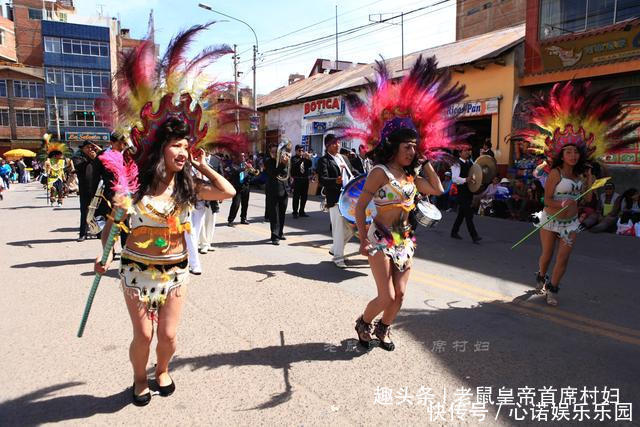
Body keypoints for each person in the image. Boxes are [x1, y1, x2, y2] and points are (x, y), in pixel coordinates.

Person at [91, 24, 244, 406]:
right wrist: (104, 253)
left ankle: (163, 369)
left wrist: (203, 165)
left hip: (174, 271)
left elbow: (229, 192)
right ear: (160, 149)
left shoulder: (188, 187)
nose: (182, 151)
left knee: (169, 337)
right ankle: (139, 377)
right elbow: (112, 223)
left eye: (185, 145)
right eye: (176, 145)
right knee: (143, 335)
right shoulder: (134, 189)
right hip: (136, 270)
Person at [347, 55, 464, 350]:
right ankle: (364, 322)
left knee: (400, 296)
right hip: (379, 239)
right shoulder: (380, 173)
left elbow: (437, 189)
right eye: (407, 147)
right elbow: (361, 207)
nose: (412, 151)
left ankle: (383, 329)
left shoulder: (412, 177)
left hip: (405, 240)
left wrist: (424, 162)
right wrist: (362, 239)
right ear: (393, 147)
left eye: (415, 147)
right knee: (385, 296)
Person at [519, 80, 639, 306]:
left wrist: (590, 186)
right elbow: (547, 199)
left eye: (576, 152)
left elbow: (585, 200)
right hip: (551, 220)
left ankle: (552, 289)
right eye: (569, 152)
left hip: (571, 223)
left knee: (563, 258)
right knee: (547, 256)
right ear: (562, 155)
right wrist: (560, 205)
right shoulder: (555, 173)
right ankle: (540, 276)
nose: (573, 155)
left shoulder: (581, 175)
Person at [317, 133, 356, 268]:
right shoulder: (324, 160)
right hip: (335, 199)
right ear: (327, 146)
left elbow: (353, 172)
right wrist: (335, 181)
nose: (337, 145)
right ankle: (338, 257)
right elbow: (322, 179)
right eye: (334, 143)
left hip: (349, 198)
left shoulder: (343, 158)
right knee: (338, 229)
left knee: (352, 228)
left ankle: (335, 248)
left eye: (338, 143)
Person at [450, 145, 482, 243]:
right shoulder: (456, 164)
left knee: (461, 214)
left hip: (469, 191)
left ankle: (454, 232)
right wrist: (466, 179)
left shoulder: (470, 162)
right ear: (460, 153)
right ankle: (474, 236)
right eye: (465, 151)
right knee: (469, 214)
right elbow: (454, 179)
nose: (468, 152)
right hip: (461, 192)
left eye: (468, 150)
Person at [73, 141, 100, 241]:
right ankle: (83, 234)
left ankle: (98, 232)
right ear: (83, 148)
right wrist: (91, 158)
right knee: (84, 212)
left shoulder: (97, 158)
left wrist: (96, 157)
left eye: (92, 148)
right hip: (84, 189)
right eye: (87, 147)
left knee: (98, 212)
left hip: (96, 188)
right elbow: (80, 167)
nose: (90, 149)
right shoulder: (78, 158)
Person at [264, 143, 289, 244]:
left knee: (282, 213)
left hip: (284, 190)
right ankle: (274, 236)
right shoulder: (268, 162)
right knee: (274, 215)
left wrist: (285, 163)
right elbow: (274, 173)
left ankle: (280, 232)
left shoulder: (284, 161)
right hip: (272, 191)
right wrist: (283, 164)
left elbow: (286, 173)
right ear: (270, 153)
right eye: (273, 152)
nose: (275, 154)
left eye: (277, 152)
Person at [226, 152, 255, 226]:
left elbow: (251, 175)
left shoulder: (246, 165)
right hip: (237, 187)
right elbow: (236, 171)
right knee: (236, 204)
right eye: (241, 156)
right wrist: (245, 168)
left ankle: (243, 219)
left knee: (245, 204)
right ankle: (230, 220)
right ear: (238, 157)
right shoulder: (234, 165)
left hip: (246, 186)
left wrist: (252, 171)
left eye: (244, 156)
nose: (243, 158)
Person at [291, 144, 312, 218]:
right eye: (300, 150)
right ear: (296, 151)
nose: (301, 152)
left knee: (304, 196)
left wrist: (309, 158)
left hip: (305, 179)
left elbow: (310, 165)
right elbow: (295, 166)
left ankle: (302, 211)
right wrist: (303, 158)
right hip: (297, 179)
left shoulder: (305, 159)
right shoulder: (293, 159)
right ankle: (295, 212)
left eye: (303, 150)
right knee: (296, 196)